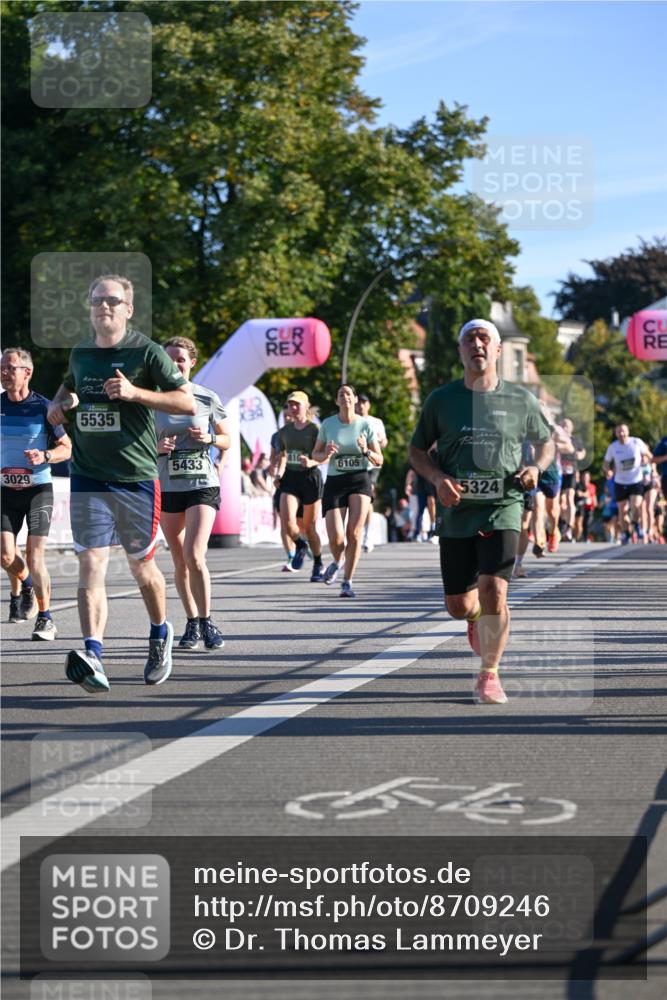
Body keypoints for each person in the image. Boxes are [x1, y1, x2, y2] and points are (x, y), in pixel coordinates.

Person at [47, 274, 197, 693]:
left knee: (141, 566)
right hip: (88, 475)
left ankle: (160, 630)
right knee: (91, 563)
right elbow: (68, 388)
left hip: (136, 478)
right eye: (97, 300)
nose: (104, 307)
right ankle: (93, 653)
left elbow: (186, 400)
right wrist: (60, 407)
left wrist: (135, 393)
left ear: (128, 309)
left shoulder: (147, 352)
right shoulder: (80, 352)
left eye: (113, 300)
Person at [409, 318, 554, 705]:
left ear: (497, 350)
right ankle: (474, 620)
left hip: (503, 506)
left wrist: (535, 468)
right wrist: (438, 478)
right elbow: (417, 450)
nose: (477, 344)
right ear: (460, 351)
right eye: (469, 339)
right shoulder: (441, 400)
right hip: (457, 512)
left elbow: (546, 443)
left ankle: (489, 674)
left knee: (495, 589)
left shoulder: (521, 399)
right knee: (460, 606)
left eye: (484, 338)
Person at [155, 336, 230, 651]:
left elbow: (227, 440)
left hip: (202, 482)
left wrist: (210, 437)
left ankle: (207, 620)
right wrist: (157, 447)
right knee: (178, 559)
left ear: (192, 363)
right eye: (169, 360)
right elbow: (140, 446)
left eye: (180, 360)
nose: (175, 365)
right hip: (169, 485)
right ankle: (191, 622)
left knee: (194, 554)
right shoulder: (153, 399)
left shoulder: (206, 397)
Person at [1, 347, 72, 638]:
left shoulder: (44, 407)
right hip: (5, 490)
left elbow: (66, 449)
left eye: (10, 368)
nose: (4, 373)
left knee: (35, 555)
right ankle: (27, 586)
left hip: (38, 490)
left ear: (27, 372)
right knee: (5, 555)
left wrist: (45, 455)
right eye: (2, 368)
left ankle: (46, 617)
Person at [312, 384, 383, 597]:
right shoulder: (328, 424)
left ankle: (347, 581)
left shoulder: (365, 425)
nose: (345, 397)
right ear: (337, 401)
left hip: (359, 480)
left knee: (354, 532)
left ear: (354, 399)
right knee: (336, 538)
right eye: (341, 394)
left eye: (348, 394)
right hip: (335, 481)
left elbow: (379, 460)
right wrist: (325, 452)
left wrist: (365, 450)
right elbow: (315, 455)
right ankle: (337, 560)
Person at [275, 390, 325, 582]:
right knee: (288, 522)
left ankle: (318, 562)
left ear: (306, 406)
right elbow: (283, 456)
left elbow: (323, 457)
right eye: (290, 405)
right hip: (290, 478)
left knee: (310, 527)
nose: (293, 408)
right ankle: (300, 545)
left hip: (310, 478)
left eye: (297, 404)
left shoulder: (315, 430)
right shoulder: (284, 431)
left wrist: (311, 462)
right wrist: (278, 474)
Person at [603, 424, 652, 544]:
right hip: (620, 481)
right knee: (622, 510)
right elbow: (606, 463)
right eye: (619, 432)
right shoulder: (613, 447)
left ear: (628, 432)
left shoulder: (636, 442)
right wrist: (608, 470)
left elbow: (649, 455)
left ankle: (635, 524)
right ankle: (626, 532)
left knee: (636, 506)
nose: (621, 434)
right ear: (616, 434)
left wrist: (645, 460)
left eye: (623, 431)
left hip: (636, 480)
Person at [355, 392, 388, 553]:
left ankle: (368, 535)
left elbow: (384, 441)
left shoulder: (376, 422)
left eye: (364, 402)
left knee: (367, 499)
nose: (361, 405)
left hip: (372, 465)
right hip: (355, 465)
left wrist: (380, 442)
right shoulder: (351, 421)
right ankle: (356, 533)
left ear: (368, 405)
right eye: (359, 402)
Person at [557, 417, 586, 542]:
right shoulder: (556, 439)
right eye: (562, 425)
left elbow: (582, 451)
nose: (564, 427)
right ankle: (563, 523)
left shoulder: (575, 440)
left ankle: (569, 527)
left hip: (571, 471)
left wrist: (580, 454)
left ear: (571, 428)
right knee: (561, 502)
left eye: (567, 425)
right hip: (559, 471)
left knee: (569, 497)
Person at [574, 470, 597, 542]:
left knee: (587, 523)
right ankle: (580, 537)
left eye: (587, 477)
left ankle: (585, 537)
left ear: (589, 478)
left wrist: (595, 503)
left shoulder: (592, 486)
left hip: (589, 507)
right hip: (582, 507)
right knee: (580, 523)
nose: (585, 478)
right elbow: (578, 493)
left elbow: (593, 496)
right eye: (584, 477)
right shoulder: (579, 485)